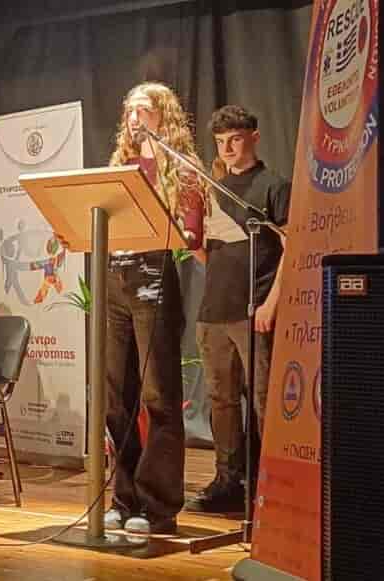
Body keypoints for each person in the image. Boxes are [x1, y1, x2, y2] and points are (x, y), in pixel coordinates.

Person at [102, 82, 207, 535]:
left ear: (163, 115)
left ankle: (157, 506)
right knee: (115, 397)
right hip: (115, 278)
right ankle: (123, 498)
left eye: (142, 110)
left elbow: (193, 233)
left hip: (154, 278)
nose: (133, 119)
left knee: (159, 396)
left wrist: (162, 165)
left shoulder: (181, 167)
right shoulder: (121, 167)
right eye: (128, 111)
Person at [186, 105, 291, 513]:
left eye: (235, 139)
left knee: (263, 401)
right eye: (220, 142)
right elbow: (205, 249)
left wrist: (271, 303)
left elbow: (292, 247)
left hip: (255, 310)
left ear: (254, 137)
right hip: (214, 311)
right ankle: (227, 482)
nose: (228, 148)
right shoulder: (213, 189)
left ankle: (269, 486)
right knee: (221, 400)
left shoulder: (273, 186)